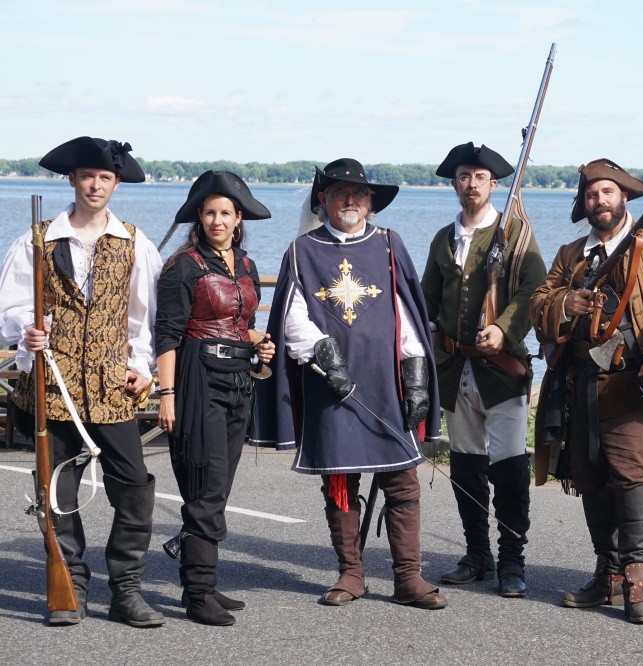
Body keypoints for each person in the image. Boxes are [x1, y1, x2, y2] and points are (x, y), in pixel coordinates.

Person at [251, 158, 447, 610]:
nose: (350, 200)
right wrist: (325, 355)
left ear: (370, 201)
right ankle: (351, 574)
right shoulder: (302, 250)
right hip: (331, 384)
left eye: (358, 193)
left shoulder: (388, 244)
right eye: (340, 192)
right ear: (324, 200)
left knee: (402, 480)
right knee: (340, 482)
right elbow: (292, 317)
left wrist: (416, 374)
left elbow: (406, 314)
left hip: (386, 381)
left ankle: (408, 577)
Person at [0, 136, 164, 627]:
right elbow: (10, 309)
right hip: (53, 389)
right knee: (57, 494)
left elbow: (144, 317)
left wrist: (142, 366)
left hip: (112, 388)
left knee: (133, 488)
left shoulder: (135, 242)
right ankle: (68, 586)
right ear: (73, 180)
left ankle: (126, 590)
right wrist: (26, 331)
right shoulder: (35, 240)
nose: (96, 185)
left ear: (116, 184)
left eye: (105, 177)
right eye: (88, 176)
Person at [530, 159, 643, 624]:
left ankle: (639, 581)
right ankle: (607, 575)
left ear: (624, 197)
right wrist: (566, 302)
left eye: (607, 192)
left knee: (632, 476)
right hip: (579, 384)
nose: (599, 200)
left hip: (632, 384)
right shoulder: (571, 254)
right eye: (591, 195)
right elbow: (538, 302)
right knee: (589, 476)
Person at [420, 142, 546, 598]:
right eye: (463, 177)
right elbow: (426, 301)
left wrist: (503, 328)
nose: (470, 184)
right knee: (465, 465)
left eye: (478, 177)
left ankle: (512, 560)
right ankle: (477, 554)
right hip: (455, 369)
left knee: (509, 467)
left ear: (493, 184)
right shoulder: (443, 239)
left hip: (500, 369)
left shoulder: (515, 234)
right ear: (454, 183)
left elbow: (534, 290)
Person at [154, 171, 276, 626]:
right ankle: (198, 592)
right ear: (199, 218)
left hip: (238, 381)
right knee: (205, 486)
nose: (217, 220)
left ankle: (203, 579)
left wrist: (260, 345)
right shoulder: (182, 266)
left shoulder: (245, 265)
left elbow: (242, 323)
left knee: (218, 488)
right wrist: (167, 395)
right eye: (209, 213)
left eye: (225, 213)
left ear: (239, 218)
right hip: (197, 380)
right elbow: (167, 334)